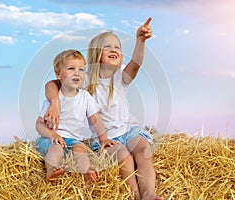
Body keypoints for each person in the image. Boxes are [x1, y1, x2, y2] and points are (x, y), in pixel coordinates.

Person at [43, 18, 163, 200]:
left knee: (144, 151)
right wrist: (54, 102)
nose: (114, 49)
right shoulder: (85, 77)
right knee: (124, 156)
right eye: (108, 46)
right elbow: (52, 83)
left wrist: (140, 41)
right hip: (104, 139)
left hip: (128, 130)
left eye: (117, 47)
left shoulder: (121, 76)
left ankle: (149, 195)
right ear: (96, 52)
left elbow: (136, 63)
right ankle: (137, 196)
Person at [35, 49, 116, 184]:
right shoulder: (53, 98)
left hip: (73, 140)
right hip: (51, 140)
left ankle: (86, 173)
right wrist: (52, 135)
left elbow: (95, 119)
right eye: (71, 68)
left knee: (81, 150)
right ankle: (52, 170)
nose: (77, 73)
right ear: (58, 74)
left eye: (81, 69)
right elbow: (39, 124)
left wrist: (104, 139)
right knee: (56, 149)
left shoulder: (85, 97)